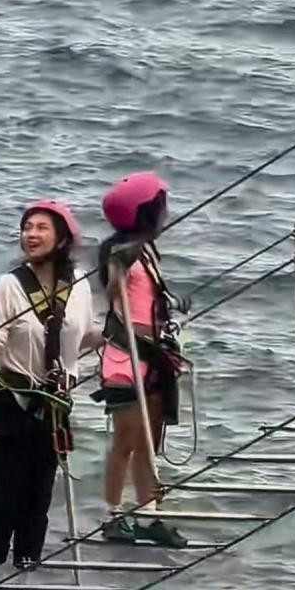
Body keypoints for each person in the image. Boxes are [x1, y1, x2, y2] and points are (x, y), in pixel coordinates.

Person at [0, 200, 101, 590]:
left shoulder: (78, 285)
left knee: (37, 499)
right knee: (4, 495)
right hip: (12, 401)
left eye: (42, 227)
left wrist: (121, 333)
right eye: (27, 227)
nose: (31, 234)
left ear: (61, 239)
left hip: (55, 406)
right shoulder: (8, 285)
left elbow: (82, 337)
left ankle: (25, 586)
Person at [95, 172, 189, 548]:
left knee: (150, 440)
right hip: (125, 356)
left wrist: (173, 303)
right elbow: (113, 292)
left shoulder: (148, 252)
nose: (166, 214)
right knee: (127, 438)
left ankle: (149, 514)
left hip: (154, 357)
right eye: (161, 208)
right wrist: (120, 265)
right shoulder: (119, 252)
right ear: (147, 211)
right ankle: (113, 515)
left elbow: (148, 297)